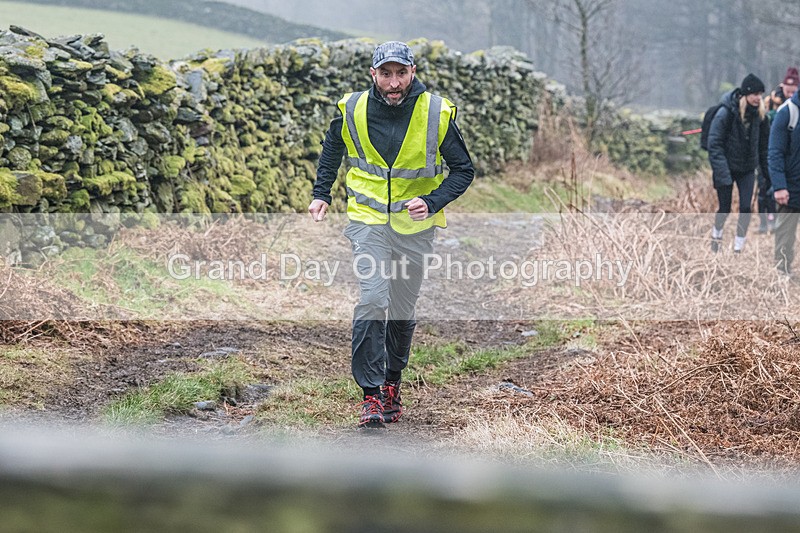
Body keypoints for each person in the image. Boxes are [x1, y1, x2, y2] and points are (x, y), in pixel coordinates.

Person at [308, 41, 475, 428]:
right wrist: (321, 194)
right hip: (367, 221)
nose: (394, 82)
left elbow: (463, 170)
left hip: (414, 227)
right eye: (386, 74)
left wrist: (432, 202)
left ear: (413, 73)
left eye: (401, 73)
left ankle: (391, 383)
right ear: (374, 75)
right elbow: (333, 148)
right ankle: (370, 395)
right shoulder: (353, 108)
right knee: (372, 298)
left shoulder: (436, 112)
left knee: (400, 310)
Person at [708, 73, 770, 253]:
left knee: (745, 207)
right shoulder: (726, 112)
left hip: (747, 169)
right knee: (725, 208)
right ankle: (716, 236)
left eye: (760, 94)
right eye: (754, 94)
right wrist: (723, 174)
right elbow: (715, 144)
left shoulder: (761, 117)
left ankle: (738, 247)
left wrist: (768, 175)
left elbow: (764, 148)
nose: (758, 98)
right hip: (726, 167)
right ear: (745, 95)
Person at [759, 67, 799, 233]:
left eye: (793, 90)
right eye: (787, 89)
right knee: (765, 189)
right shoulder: (775, 103)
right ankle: (765, 222)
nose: (790, 93)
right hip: (772, 152)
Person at [769, 81, 800, 275]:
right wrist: (779, 186)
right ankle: (781, 272)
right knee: (785, 235)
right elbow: (775, 152)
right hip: (791, 188)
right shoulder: (787, 112)